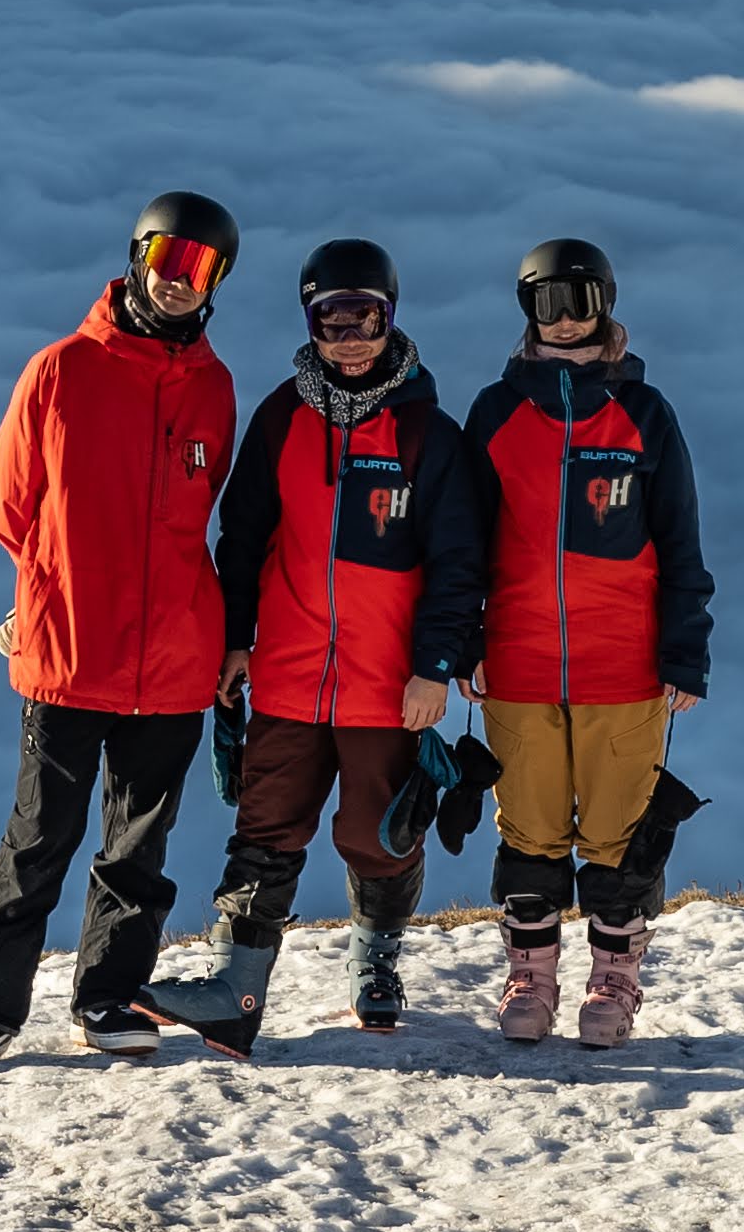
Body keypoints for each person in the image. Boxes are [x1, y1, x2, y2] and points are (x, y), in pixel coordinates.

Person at [137, 240, 484, 1058]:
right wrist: (234, 643)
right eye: (334, 320)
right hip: (289, 674)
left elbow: (460, 562)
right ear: (311, 323)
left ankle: (377, 963)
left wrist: (435, 666)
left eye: (366, 318)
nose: (351, 337)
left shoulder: (430, 434)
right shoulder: (280, 418)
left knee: (378, 835)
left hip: (386, 683)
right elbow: (244, 538)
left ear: (391, 319)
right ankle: (235, 990)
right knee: (266, 829)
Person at [0, 192, 243, 1066]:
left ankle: (107, 1000)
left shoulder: (213, 388)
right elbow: (11, 508)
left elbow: (207, 509)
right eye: (170, 263)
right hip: (69, 654)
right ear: (138, 258)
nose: (182, 284)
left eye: (204, 269)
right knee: (40, 838)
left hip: (176, 659)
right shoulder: (61, 370)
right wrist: (46, 594)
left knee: (138, 848)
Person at [460, 237, 714, 1048]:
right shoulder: (496, 414)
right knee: (529, 830)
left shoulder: (643, 414)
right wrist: (463, 639)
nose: (564, 322)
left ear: (605, 304)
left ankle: (615, 982)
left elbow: (680, 540)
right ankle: (530, 977)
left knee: (617, 836)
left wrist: (686, 652)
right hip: (517, 660)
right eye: (546, 305)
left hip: (625, 663)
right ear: (526, 313)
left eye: (578, 303)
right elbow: (462, 543)